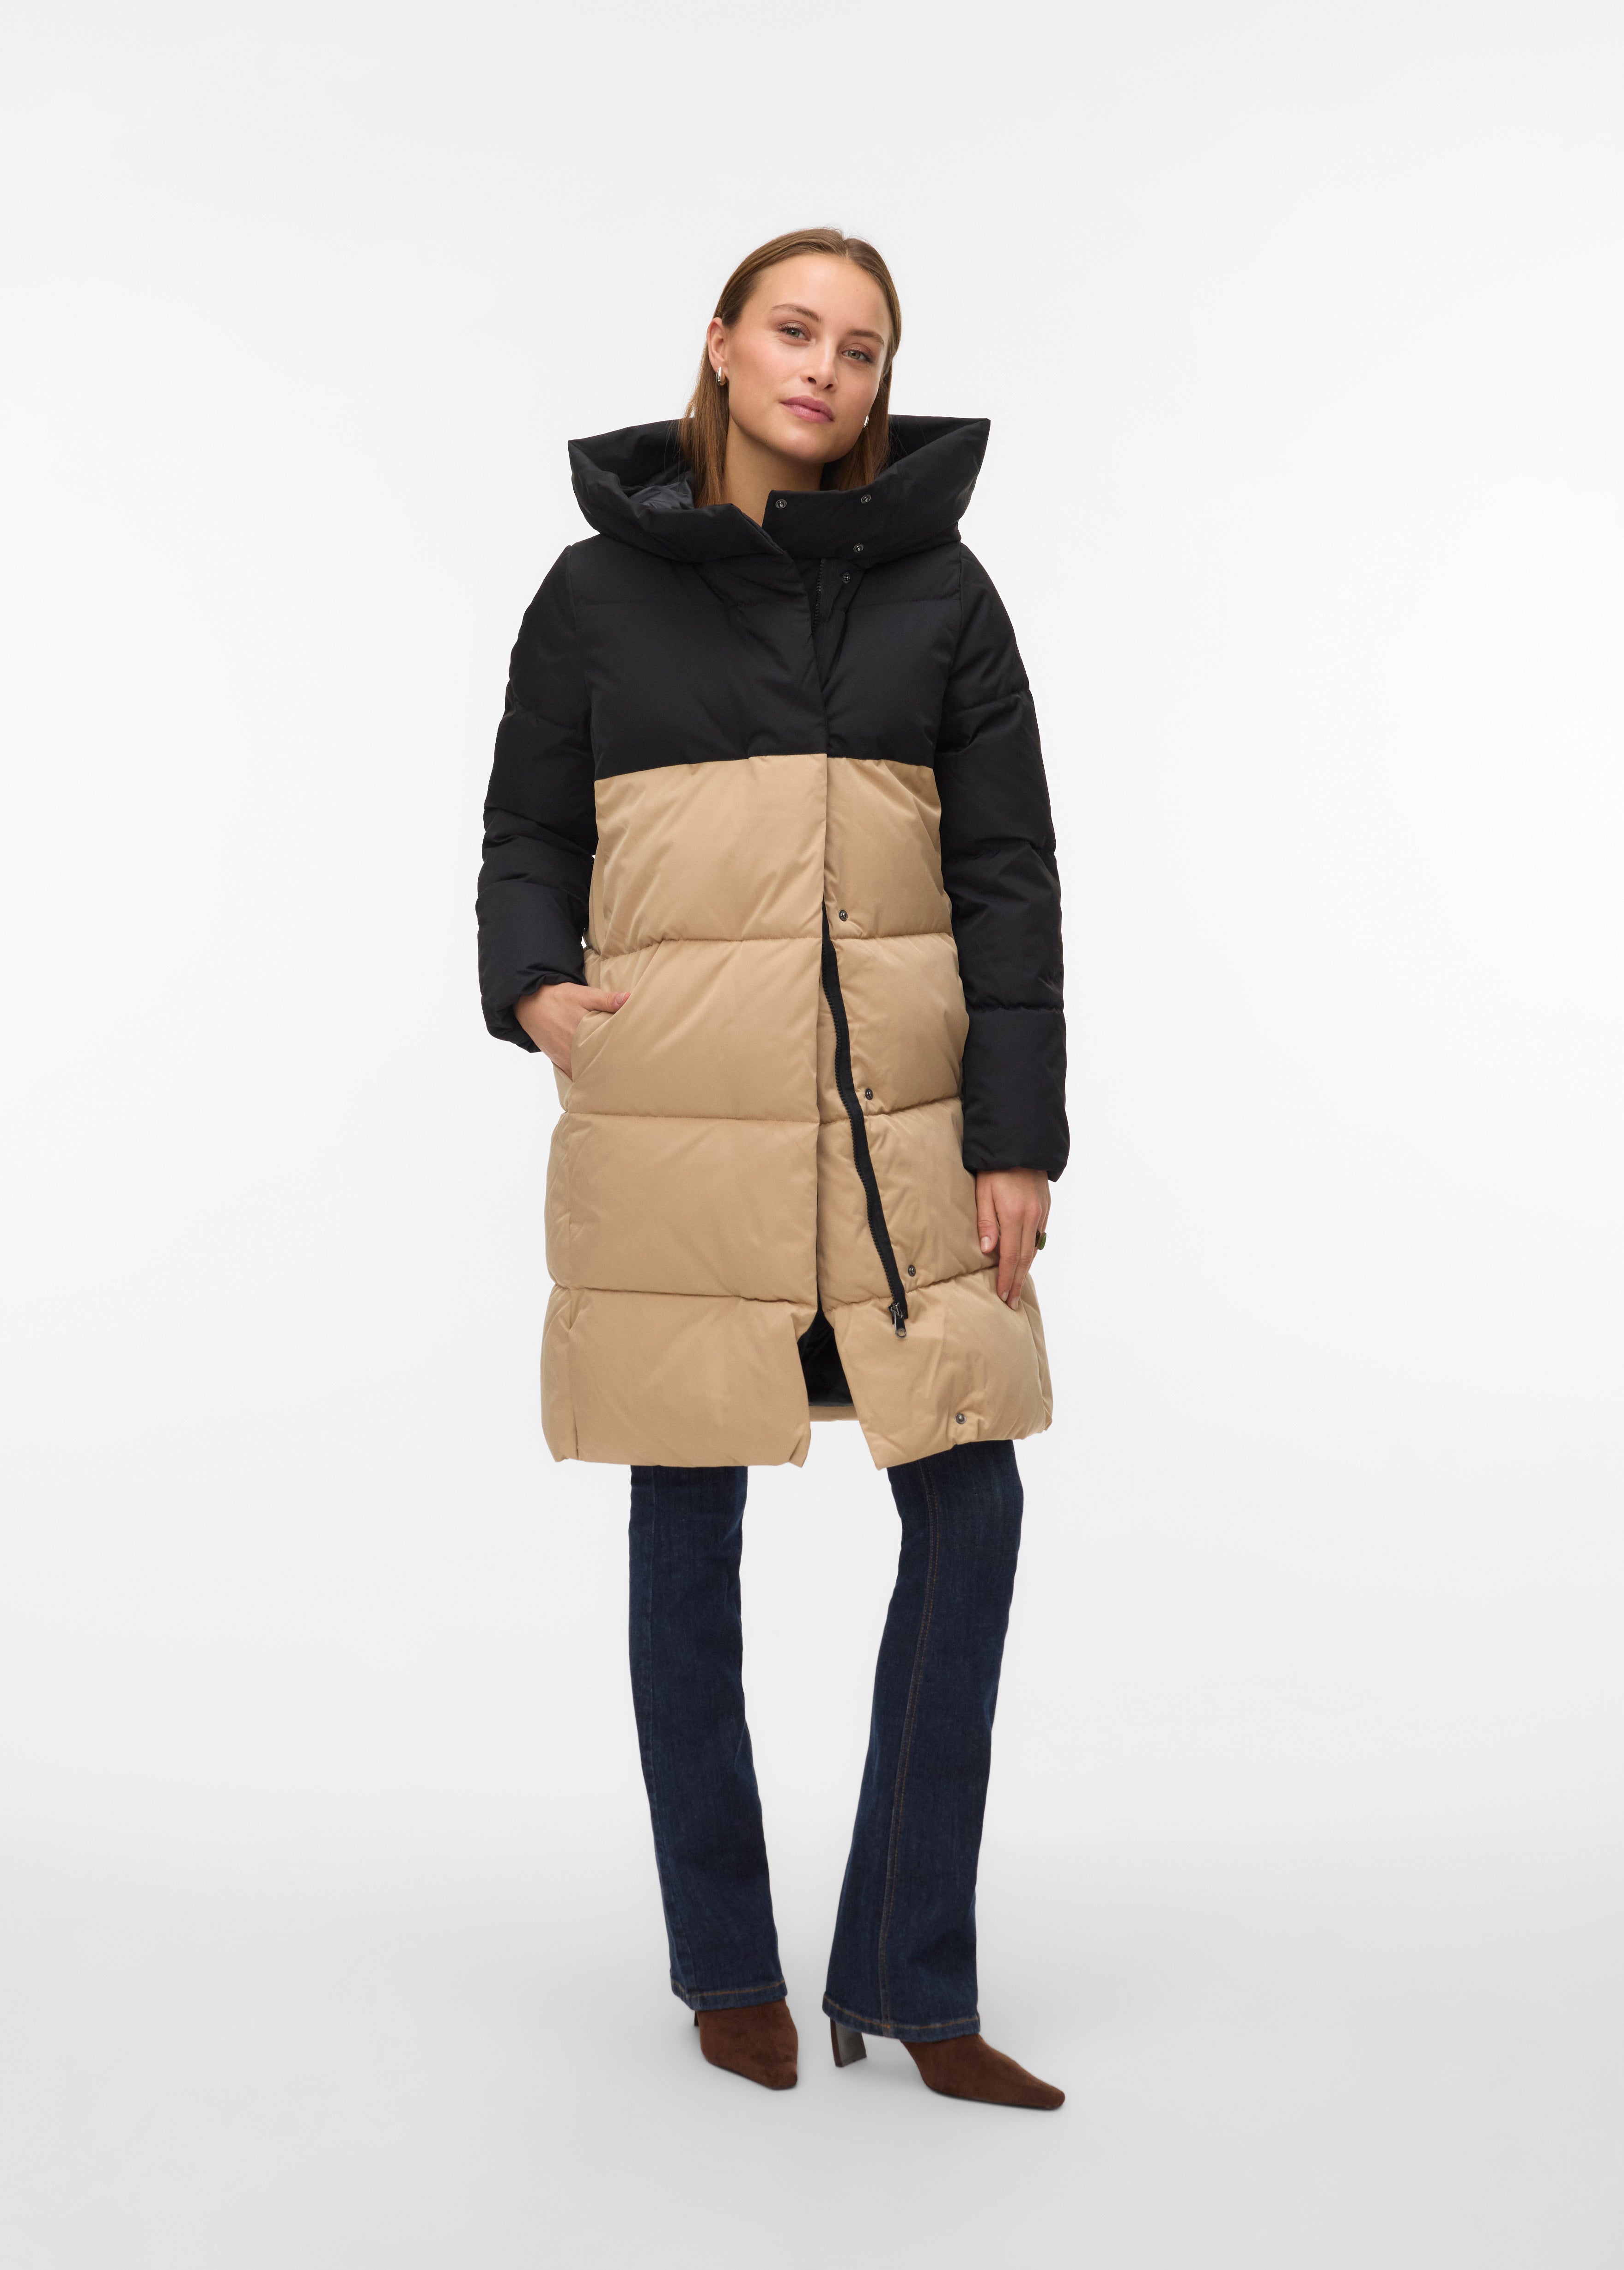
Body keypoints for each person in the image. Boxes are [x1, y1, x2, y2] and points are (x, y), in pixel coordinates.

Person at [476, 230, 1068, 2109]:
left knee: (969, 1507)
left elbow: (1007, 879)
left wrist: (1016, 1137)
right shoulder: (594, 594)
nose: (825, 367)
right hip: (680, 1124)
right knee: (686, 1530)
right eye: (795, 330)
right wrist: (536, 986)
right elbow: (524, 831)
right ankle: (726, 1964)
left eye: (861, 347)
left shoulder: (944, 594)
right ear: (724, 344)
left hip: (904, 1138)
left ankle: (910, 1970)